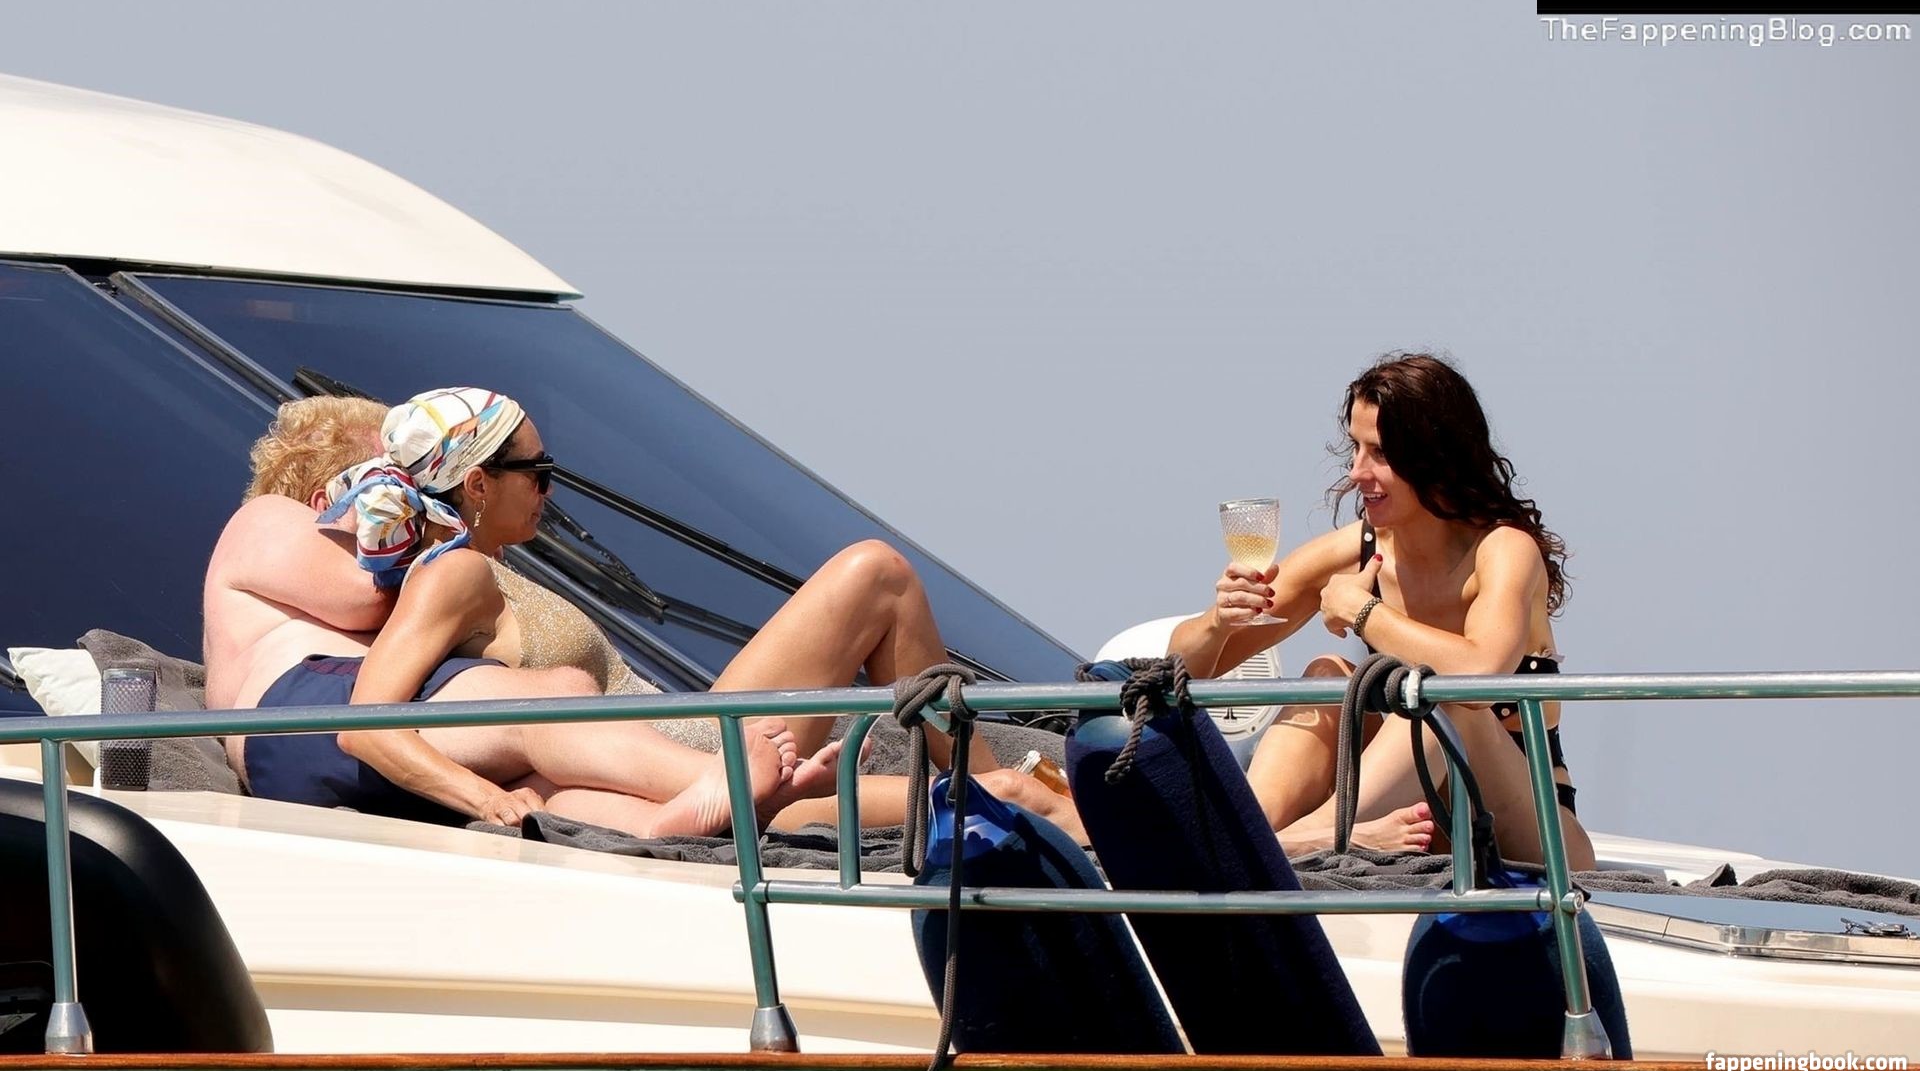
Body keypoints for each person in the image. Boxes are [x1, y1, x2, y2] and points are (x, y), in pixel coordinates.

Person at [206, 391, 1073, 837]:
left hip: (642, 740)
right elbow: (366, 615)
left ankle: (991, 794)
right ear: (329, 490)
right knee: (872, 575)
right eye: (384, 476)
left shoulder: (451, 573)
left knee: (604, 762)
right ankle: (992, 792)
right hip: (654, 739)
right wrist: (416, 527)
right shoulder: (320, 542)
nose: (399, 491)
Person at [1167, 353, 1596, 870]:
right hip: (1404, 816)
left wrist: (1364, 611)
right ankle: (1253, 829)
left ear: (1436, 456)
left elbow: (1481, 674)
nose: (1356, 472)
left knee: (1444, 698)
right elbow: (1179, 669)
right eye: (1355, 448)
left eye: (1380, 453)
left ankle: (1290, 841)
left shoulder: (1503, 549)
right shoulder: (1359, 548)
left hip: (1533, 832)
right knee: (1327, 674)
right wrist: (1219, 623)